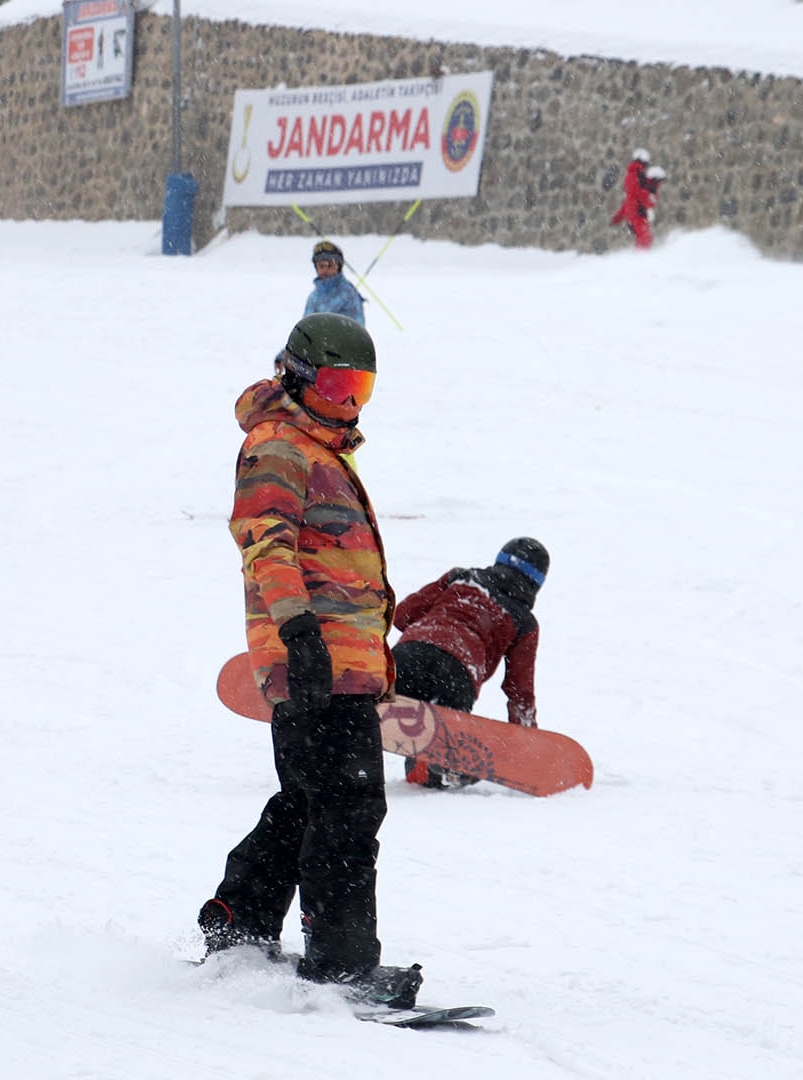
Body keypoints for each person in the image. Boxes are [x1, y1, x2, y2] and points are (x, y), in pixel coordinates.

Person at [197, 312, 421, 1010]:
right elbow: (266, 541)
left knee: (309, 801)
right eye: (336, 386)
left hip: (340, 660)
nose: (349, 404)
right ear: (297, 375)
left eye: (361, 389)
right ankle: (342, 963)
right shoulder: (279, 446)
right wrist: (299, 633)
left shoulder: (318, 448)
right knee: (350, 805)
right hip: (315, 657)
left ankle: (238, 918)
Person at [393, 538, 548, 789]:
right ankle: (434, 767)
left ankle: (337, 733)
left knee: (365, 710)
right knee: (435, 746)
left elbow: (402, 615)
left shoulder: (461, 578)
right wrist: (526, 739)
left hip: (411, 654)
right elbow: (519, 690)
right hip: (458, 674)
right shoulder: (525, 622)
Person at [611, 150, 665, 250]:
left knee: (644, 239)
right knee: (645, 240)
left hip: (634, 213)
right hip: (637, 213)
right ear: (643, 163)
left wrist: (619, 216)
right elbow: (643, 197)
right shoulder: (636, 177)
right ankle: (639, 261)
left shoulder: (633, 175)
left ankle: (639, 260)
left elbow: (630, 198)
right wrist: (652, 190)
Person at [303, 240, 366, 326]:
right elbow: (305, 329)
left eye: (330, 265)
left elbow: (356, 331)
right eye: (321, 266)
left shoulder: (349, 294)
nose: (325, 270)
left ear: (338, 267)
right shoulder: (313, 298)